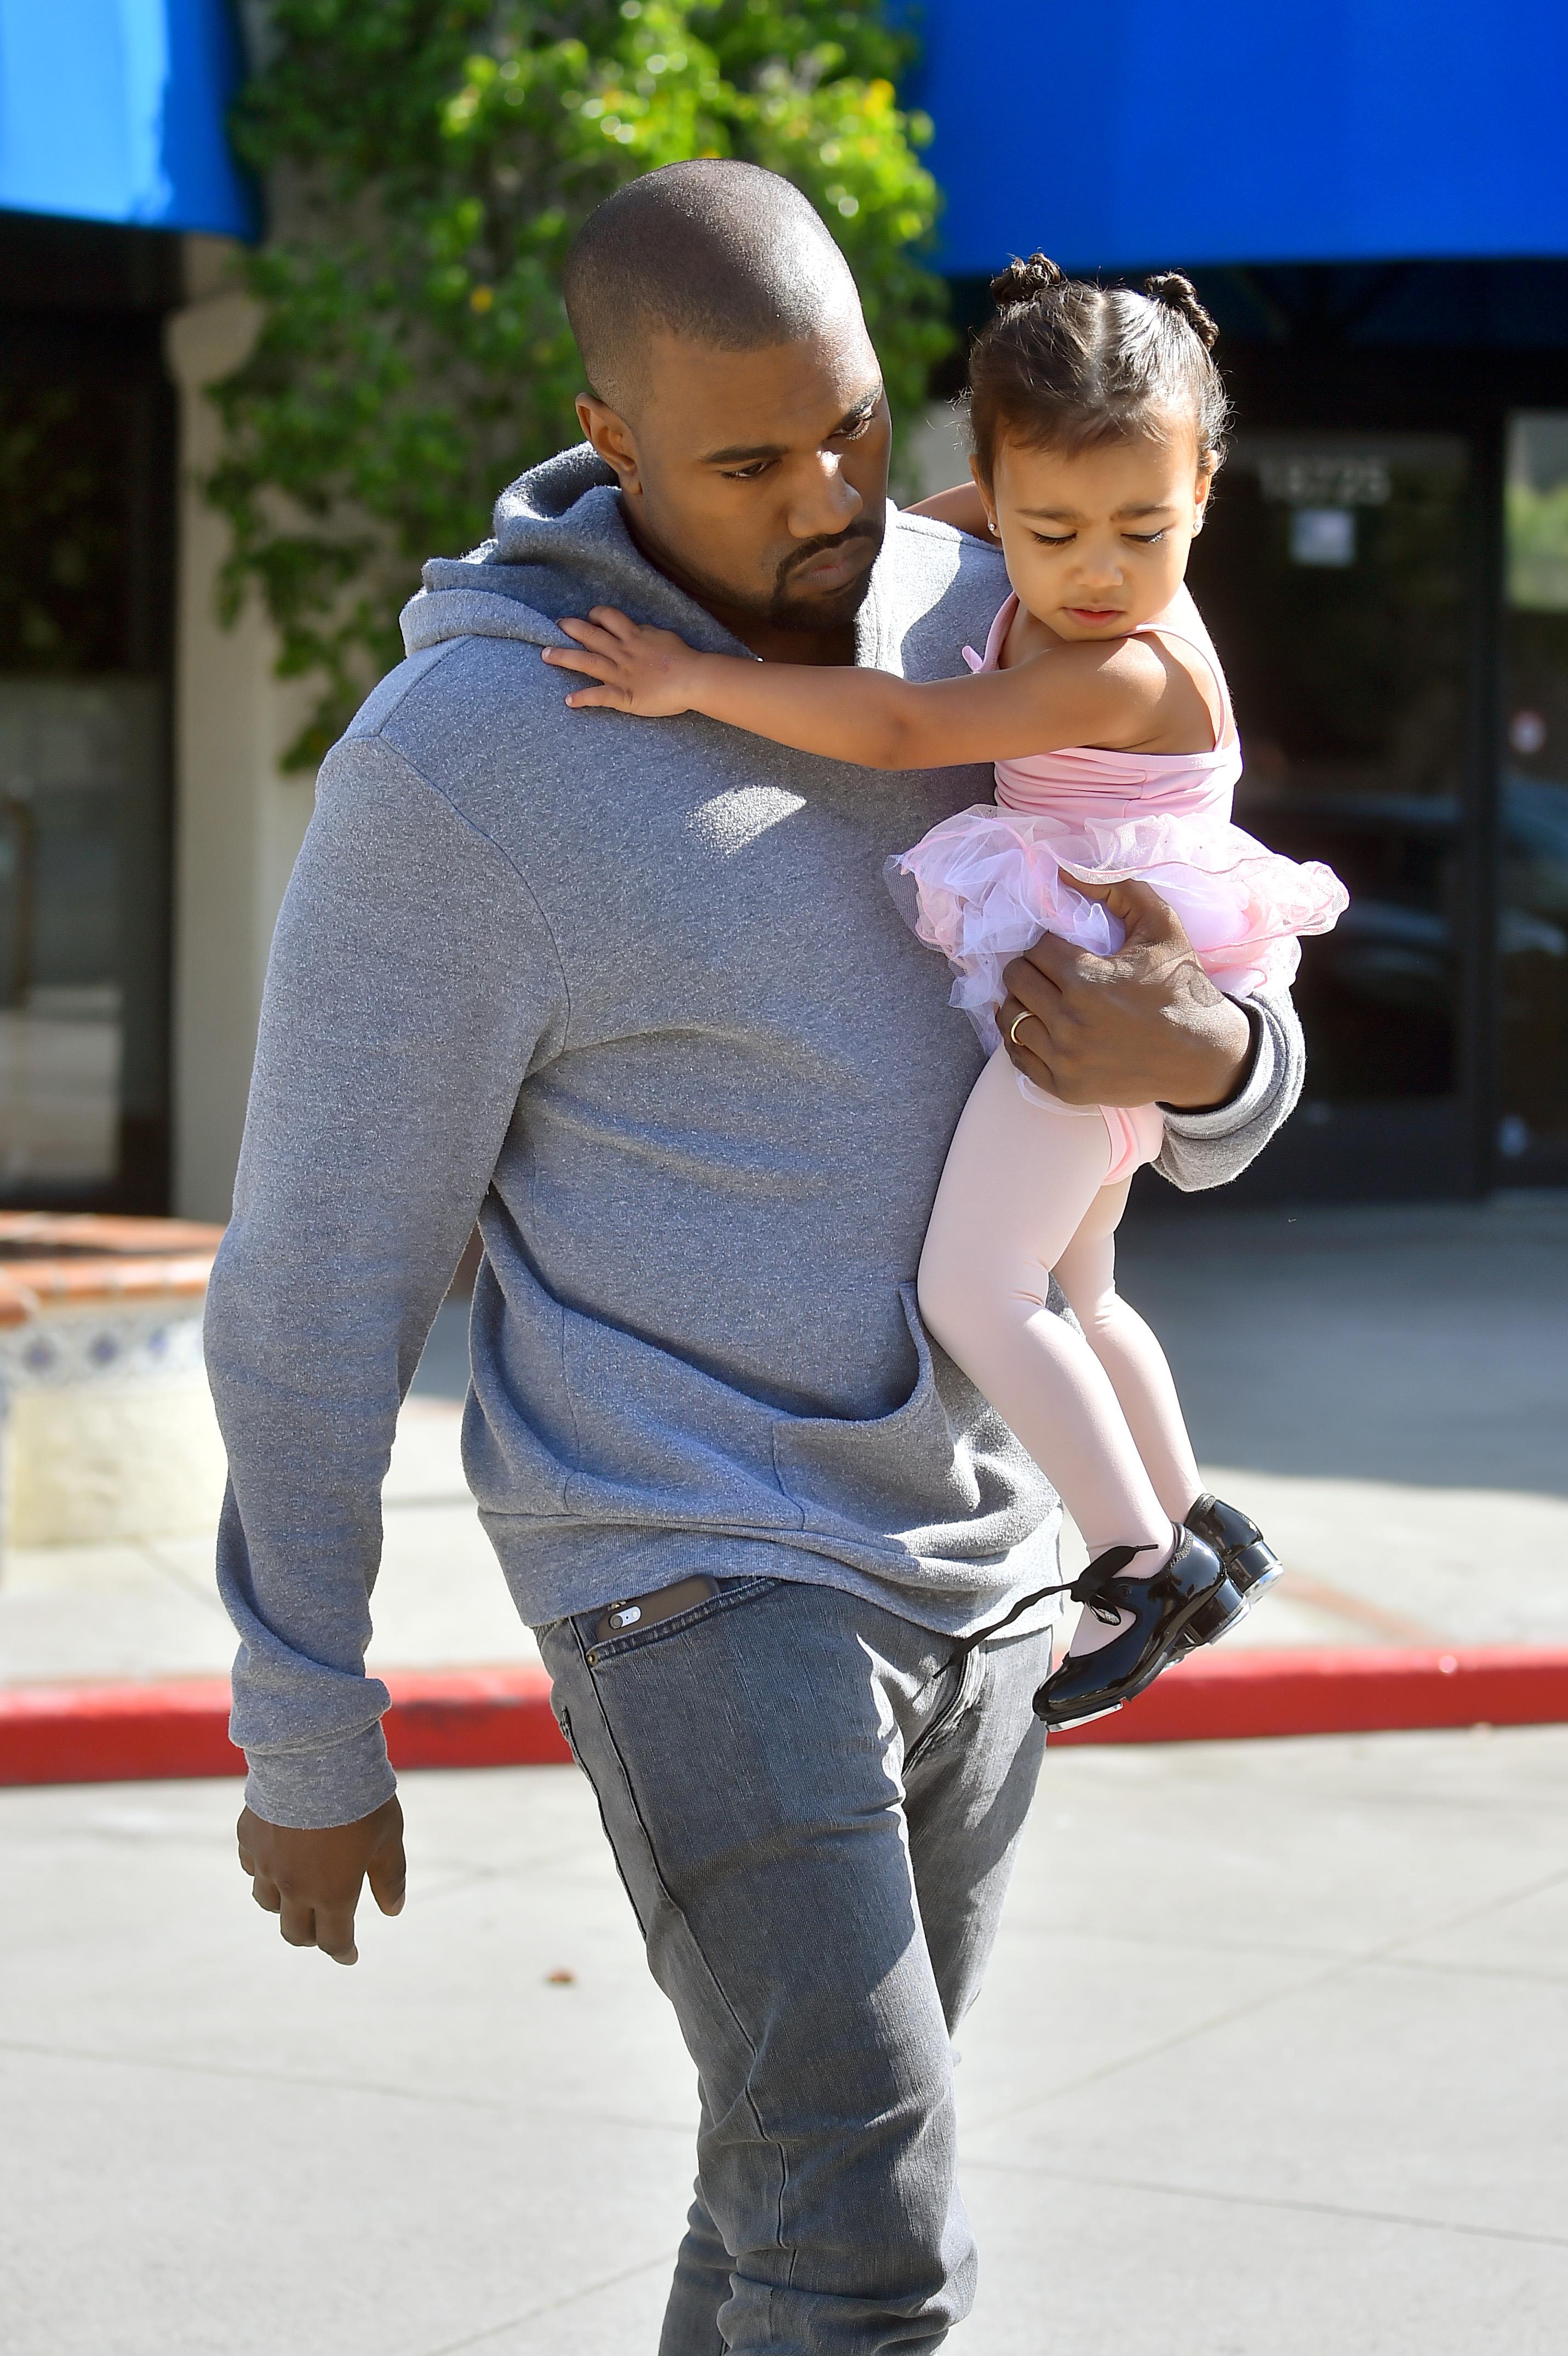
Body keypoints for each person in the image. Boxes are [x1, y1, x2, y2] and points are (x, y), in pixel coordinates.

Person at [210, 165, 1307, 2354]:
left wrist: (1207, 1053)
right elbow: (318, 1278)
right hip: (691, 1562)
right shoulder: (466, 765)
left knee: (784, 2196)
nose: (828, 498)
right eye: (744, 459)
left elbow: (1191, 1061)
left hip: (981, 1568)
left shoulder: (998, 604)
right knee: (869, 2246)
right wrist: (304, 1716)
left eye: (846, 425)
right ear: (608, 441)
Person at [542, 253, 1347, 1734]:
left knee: (972, 1286)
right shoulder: (1010, 528)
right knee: (1085, 1289)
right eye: (1050, 528)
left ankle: (1135, 1560)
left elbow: (909, 718)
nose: (1097, 570)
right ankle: (1196, 1517)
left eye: (1146, 529)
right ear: (990, 476)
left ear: (1208, 491)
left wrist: (692, 680)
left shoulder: (1128, 669)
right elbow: (901, 549)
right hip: (1076, 968)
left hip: (1093, 998)